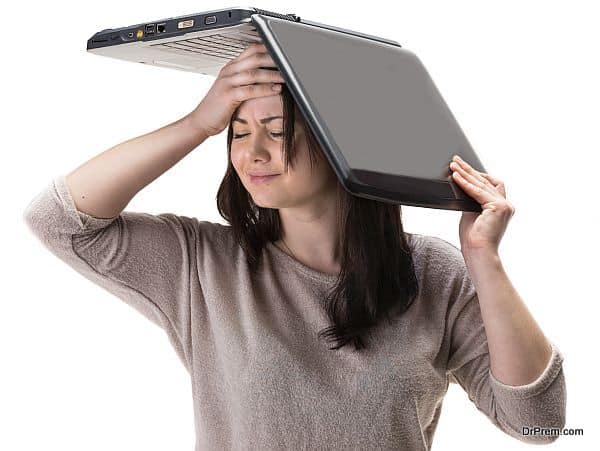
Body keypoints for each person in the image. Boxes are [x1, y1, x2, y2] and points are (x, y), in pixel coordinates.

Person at [23, 43, 566, 450]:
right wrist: (197, 124)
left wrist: (485, 261)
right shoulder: (206, 267)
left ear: (345, 141)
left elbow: (538, 422)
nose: (251, 151)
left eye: (276, 129)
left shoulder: (435, 272)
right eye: (237, 131)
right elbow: (57, 219)